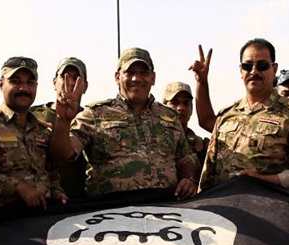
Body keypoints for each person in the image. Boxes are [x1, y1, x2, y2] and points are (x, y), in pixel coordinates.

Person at [49, 47, 199, 200]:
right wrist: (63, 121)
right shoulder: (95, 115)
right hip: (113, 209)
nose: (136, 78)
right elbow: (64, 153)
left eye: (143, 73)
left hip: (164, 206)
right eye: (130, 72)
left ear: (153, 78)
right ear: (117, 77)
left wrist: (189, 179)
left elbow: (186, 158)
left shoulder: (170, 117)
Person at [197, 38, 289, 191]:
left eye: (262, 66)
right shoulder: (226, 116)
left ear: (274, 69)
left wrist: (264, 180)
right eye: (247, 66)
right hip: (224, 203)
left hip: (268, 203)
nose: (254, 72)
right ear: (241, 70)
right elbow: (208, 173)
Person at [0, 56, 65, 212]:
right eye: (15, 81)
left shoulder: (42, 129)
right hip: (5, 215)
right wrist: (17, 187)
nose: (23, 88)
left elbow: (51, 171)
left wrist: (57, 192)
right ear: (1, 84)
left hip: (45, 213)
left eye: (30, 82)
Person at [31, 57, 89, 199]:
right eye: (64, 76)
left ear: (85, 86)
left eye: (76, 78)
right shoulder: (33, 116)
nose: (70, 82)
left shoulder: (91, 119)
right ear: (54, 82)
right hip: (43, 197)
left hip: (81, 199)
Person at [162, 81, 207, 169]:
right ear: (163, 107)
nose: (181, 108)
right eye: (175, 103)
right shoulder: (153, 139)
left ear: (191, 109)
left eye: (186, 103)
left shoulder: (201, 146)